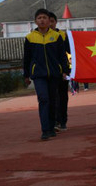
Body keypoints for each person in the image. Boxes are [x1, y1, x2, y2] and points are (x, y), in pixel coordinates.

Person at [23, 9, 69, 141]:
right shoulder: (30, 38)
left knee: (53, 100)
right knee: (43, 99)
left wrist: (65, 70)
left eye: (44, 18)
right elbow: (26, 58)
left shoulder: (56, 36)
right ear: (35, 21)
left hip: (54, 74)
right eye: (39, 18)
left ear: (49, 21)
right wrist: (26, 75)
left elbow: (62, 56)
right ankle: (45, 130)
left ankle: (52, 126)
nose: (42, 20)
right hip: (38, 75)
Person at [49, 12, 70, 132]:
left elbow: (69, 54)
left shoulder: (63, 35)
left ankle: (63, 121)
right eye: (49, 21)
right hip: (50, 73)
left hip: (63, 72)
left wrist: (68, 70)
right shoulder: (43, 36)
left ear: (56, 22)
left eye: (52, 21)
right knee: (53, 97)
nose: (50, 24)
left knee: (63, 97)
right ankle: (55, 121)